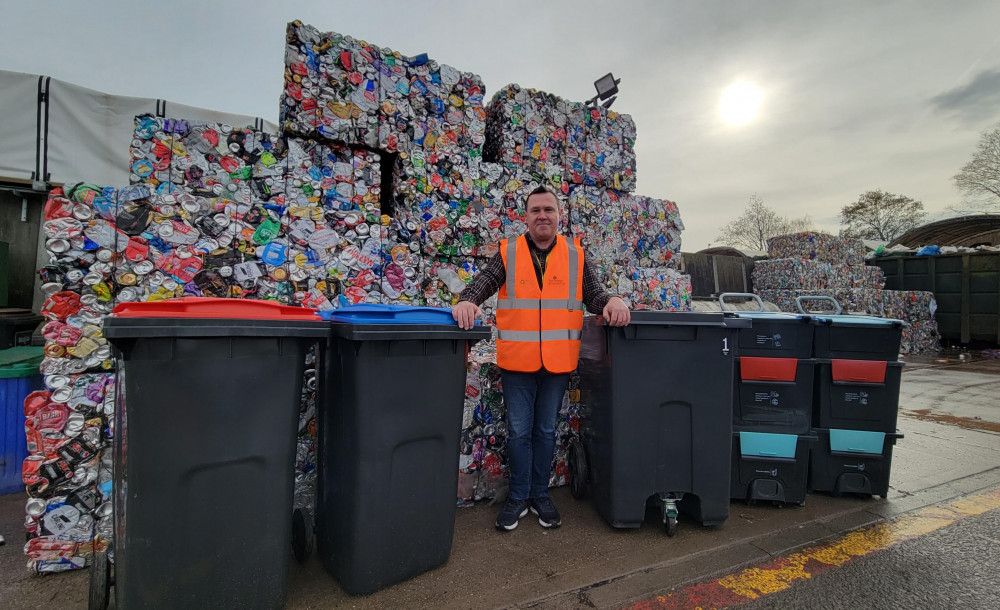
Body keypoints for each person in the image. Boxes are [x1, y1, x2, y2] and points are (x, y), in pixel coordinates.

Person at [453, 185, 631, 531]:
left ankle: (540, 495)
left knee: (546, 431)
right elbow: (483, 283)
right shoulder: (509, 252)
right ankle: (518, 497)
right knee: (519, 432)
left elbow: (594, 294)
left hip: (557, 362)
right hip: (517, 362)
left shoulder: (575, 254)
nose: (542, 216)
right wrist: (467, 300)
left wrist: (613, 301)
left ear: (558, 215)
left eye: (548, 209)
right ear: (526, 216)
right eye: (536, 210)